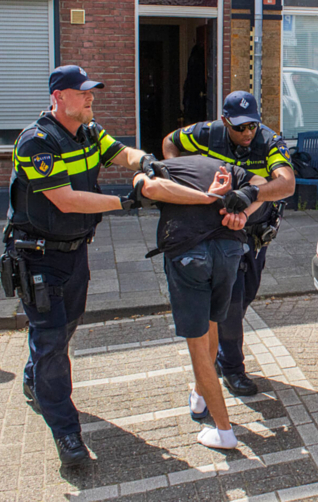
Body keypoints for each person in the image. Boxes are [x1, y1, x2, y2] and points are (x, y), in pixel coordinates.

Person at [5, 65, 158, 466]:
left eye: (92, 92)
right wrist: (126, 202)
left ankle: (35, 376)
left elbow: (121, 152)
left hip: (75, 253)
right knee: (53, 342)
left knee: (64, 328)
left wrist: (147, 163)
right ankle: (67, 434)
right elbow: (66, 199)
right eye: (82, 93)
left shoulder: (89, 130)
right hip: (38, 257)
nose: (91, 98)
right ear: (58, 98)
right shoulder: (37, 143)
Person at [162, 91, 295, 396]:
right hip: (221, 232)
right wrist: (185, 179)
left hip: (253, 233)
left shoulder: (268, 140)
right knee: (231, 306)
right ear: (225, 122)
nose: (247, 133)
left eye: (252, 126)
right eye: (239, 128)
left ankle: (221, 352)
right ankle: (232, 367)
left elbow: (286, 183)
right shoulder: (206, 133)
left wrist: (252, 194)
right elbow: (170, 142)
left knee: (244, 297)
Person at [132, 155, 266, 449]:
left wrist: (206, 198)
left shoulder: (161, 168)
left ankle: (224, 431)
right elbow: (262, 184)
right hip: (230, 251)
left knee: (197, 347)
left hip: (189, 253)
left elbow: (149, 189)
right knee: (212, 324)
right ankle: (199, 396)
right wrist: (243, 210)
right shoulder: (227, 167)